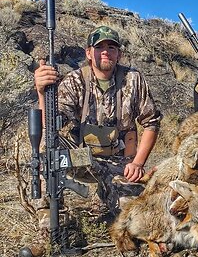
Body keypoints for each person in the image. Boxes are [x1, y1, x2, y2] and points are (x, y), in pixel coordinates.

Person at [22, 25, 162, 256]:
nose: (105, 52)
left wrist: (137, 163)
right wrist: (41, 91)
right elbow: (51, 124)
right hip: (81, 157)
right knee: (49, 162)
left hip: (119, 161)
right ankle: (49, 236)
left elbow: (151, 122)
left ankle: (107, 195)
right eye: (99, 47)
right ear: (89, 53)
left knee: (135, 214)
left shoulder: (134, 80)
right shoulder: (75, 81)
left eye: (111, 47)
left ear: (119, 54)